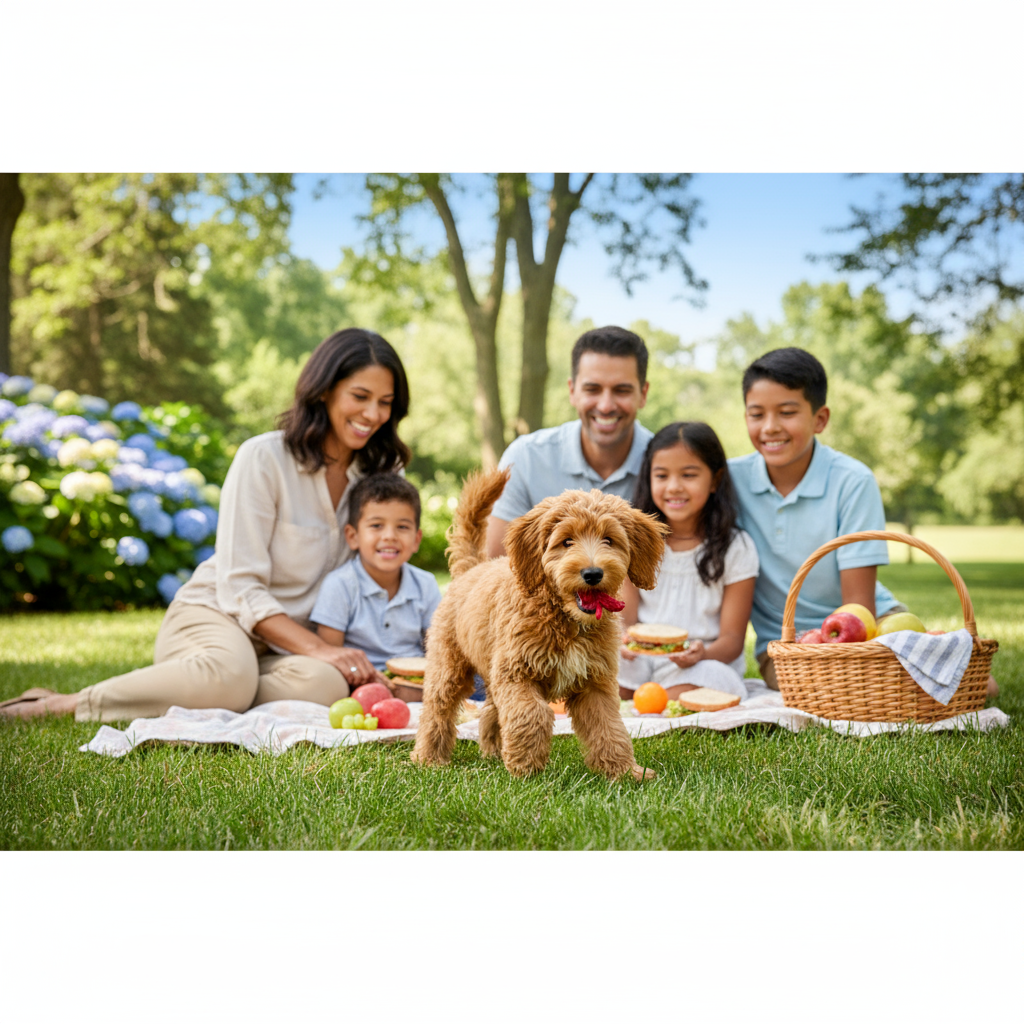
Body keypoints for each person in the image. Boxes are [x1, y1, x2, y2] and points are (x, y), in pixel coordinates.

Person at [2, 328, 412, 722]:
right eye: (360, 396)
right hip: (216, 616)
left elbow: (382, 574)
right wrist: (319, 648)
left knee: (324, 686)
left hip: (285, 648)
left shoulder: (381, 475)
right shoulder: (264, 458)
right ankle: (65, 704)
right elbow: (240, 585)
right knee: (232, 675)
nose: (372, 414)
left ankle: (214, 693)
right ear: (324, 391)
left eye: (385, 402)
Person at [727, 347, 901, 690]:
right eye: (756, 414)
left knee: (975, 683)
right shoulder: (730, 481)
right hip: (788, 646)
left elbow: (859, 609)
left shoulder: (853, 481)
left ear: (820, 419)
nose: (770, 427)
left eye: (787, 412)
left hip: (869, 624)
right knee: (820, 689)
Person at [618, 421, 759, 701]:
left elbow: (732, 641)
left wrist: (701, 653)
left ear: (715, 480)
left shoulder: (736, 547)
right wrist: (623, 642)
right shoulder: (634, 542)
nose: (674, 487)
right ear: (648, 478)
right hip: (643, 661)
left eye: (688, 475)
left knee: (706, 680)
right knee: (599, 670)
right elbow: (625, 620)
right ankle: (644, 697)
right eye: (661, 476)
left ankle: (657, 699)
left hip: (704, 660)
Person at [486, 325, 653, 558]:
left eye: (621, 390)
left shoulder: (667, 467)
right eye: (592, 389)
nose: (605, 405)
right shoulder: (525, 458)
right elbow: (495, 563)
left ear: (643, 394)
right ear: (572, 390)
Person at [310, 473, 440, 671]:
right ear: (353, 536)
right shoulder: (340, 585)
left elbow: (439, 648)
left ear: (416, 540)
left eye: (402, 527)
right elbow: (331, 655)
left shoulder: (425, 584)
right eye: (376, 525)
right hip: (358, 678)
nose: (389, 536)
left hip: (415, 679)